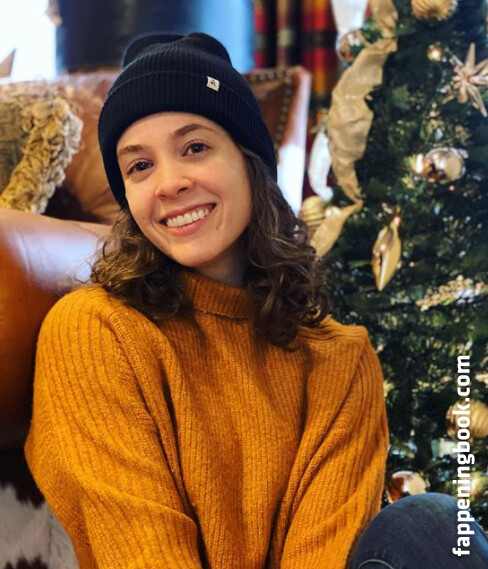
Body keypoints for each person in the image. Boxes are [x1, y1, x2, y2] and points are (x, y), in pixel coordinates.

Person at [23, 32, 488, 569]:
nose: (169, 183)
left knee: (433, 523)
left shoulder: (338, 358)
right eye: (139, 166)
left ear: (249, 161)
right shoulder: (94, 331)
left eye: (195, 147)